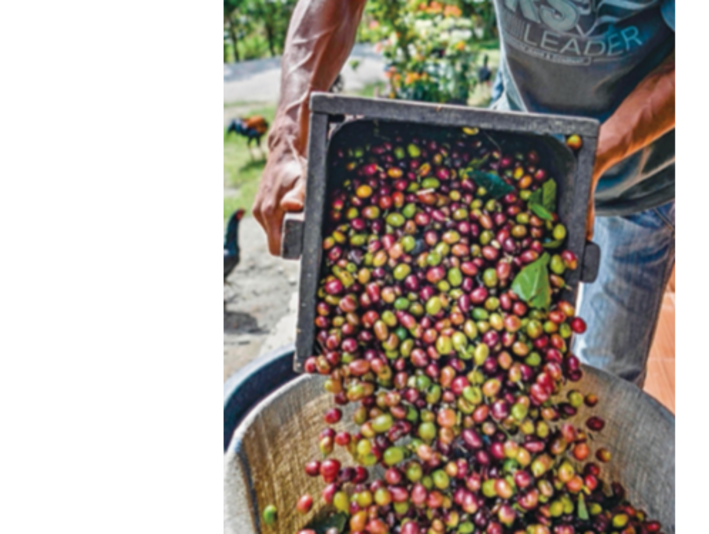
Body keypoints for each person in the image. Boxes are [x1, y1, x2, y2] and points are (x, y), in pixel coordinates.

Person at [253, 0, 678, 387]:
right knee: (507, 350)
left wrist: (593, 157)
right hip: (527, 143)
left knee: (605, 377)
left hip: (641, 179)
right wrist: (288, 134)